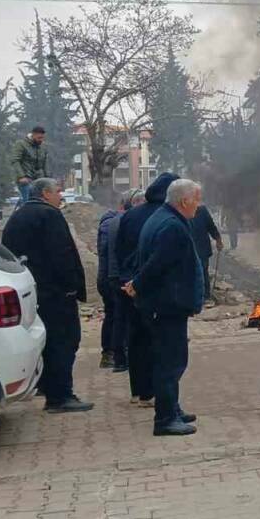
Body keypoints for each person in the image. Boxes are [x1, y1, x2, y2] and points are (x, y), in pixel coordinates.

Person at [1, 177, 93, 412]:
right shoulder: (50, 215)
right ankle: (61, 396)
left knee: (46, 341)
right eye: (58, 192)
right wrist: (71, 285)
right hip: (56, 292)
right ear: (45, 193)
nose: (61, 196)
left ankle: (45, 384)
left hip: (31, 291)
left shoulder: (18, 215)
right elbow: (61, 254)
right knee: (65, 341)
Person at [133, 179, 205, 436]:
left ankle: (172, 409)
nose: (199, 204)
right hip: (167, 306)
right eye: (197, 199)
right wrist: (137, 284)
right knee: (170, 363)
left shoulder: (162, 218)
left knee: (172, 360)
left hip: (164, 304)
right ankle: (165, 419)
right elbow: (157, 264)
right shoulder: (172, 226)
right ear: (184, 201)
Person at [116, 172, 181, 406]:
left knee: (136, 339)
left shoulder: (130, 215)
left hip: (127, 283)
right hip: (153, 288)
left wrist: (125, 279)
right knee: (159, 342)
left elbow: (119, 249)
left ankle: (138, 391)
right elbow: (162, 258)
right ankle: (156, 395)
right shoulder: (166, 217)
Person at [105, 189, 145, 373]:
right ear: (135, 202)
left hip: (114, 275)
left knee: (119, 318)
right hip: (126, 276)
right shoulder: (129, 221)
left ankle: (119, 359)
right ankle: (128, 357)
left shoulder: (113, 221)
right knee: (130, 319)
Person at [96, 197, 127, 369]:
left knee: (113, 315)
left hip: (107, 277)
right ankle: (113, 354)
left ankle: (109, 355)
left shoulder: (107, 223)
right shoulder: (113, 224)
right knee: (116, 316)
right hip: (112, 278)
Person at [189, 203, 223, 305]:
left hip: (202, 248)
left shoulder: (202, 210)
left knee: (203, 271)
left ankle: (205, 295)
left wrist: (218, 239)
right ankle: (193, 296)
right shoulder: (180, 211)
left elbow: (211, 226)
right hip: (188, 249)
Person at [10, 126, 49, 205]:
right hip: (26, 180)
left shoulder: (42, 148)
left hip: (39, 180)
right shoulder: (21, 144)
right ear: (33, 135)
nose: (41, 140)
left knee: (40, 203)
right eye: (39, 138)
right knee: (29, 202)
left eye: (42, 138)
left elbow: (44, 164)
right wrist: (21, 176)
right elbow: (15, 160)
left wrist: (47, 179)